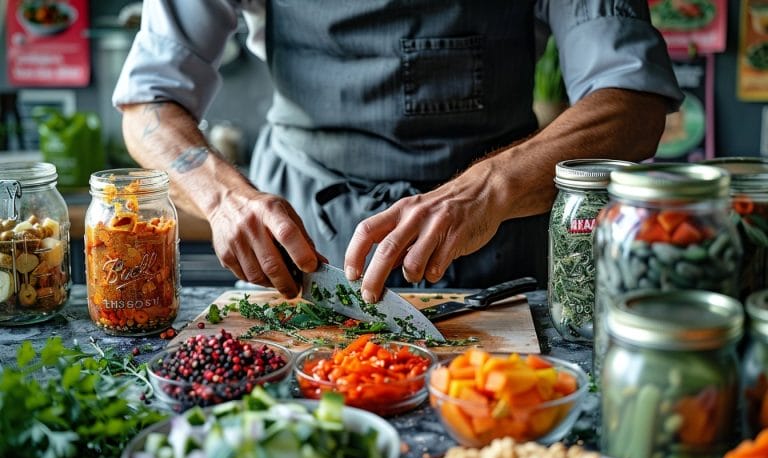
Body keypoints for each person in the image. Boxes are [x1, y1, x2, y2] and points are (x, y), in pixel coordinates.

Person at [113, 0, 683, 303]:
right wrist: (223, 200)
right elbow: (148, 105)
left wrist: (487, 189)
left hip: (497, 261)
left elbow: (633, 105)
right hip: (300, 252)